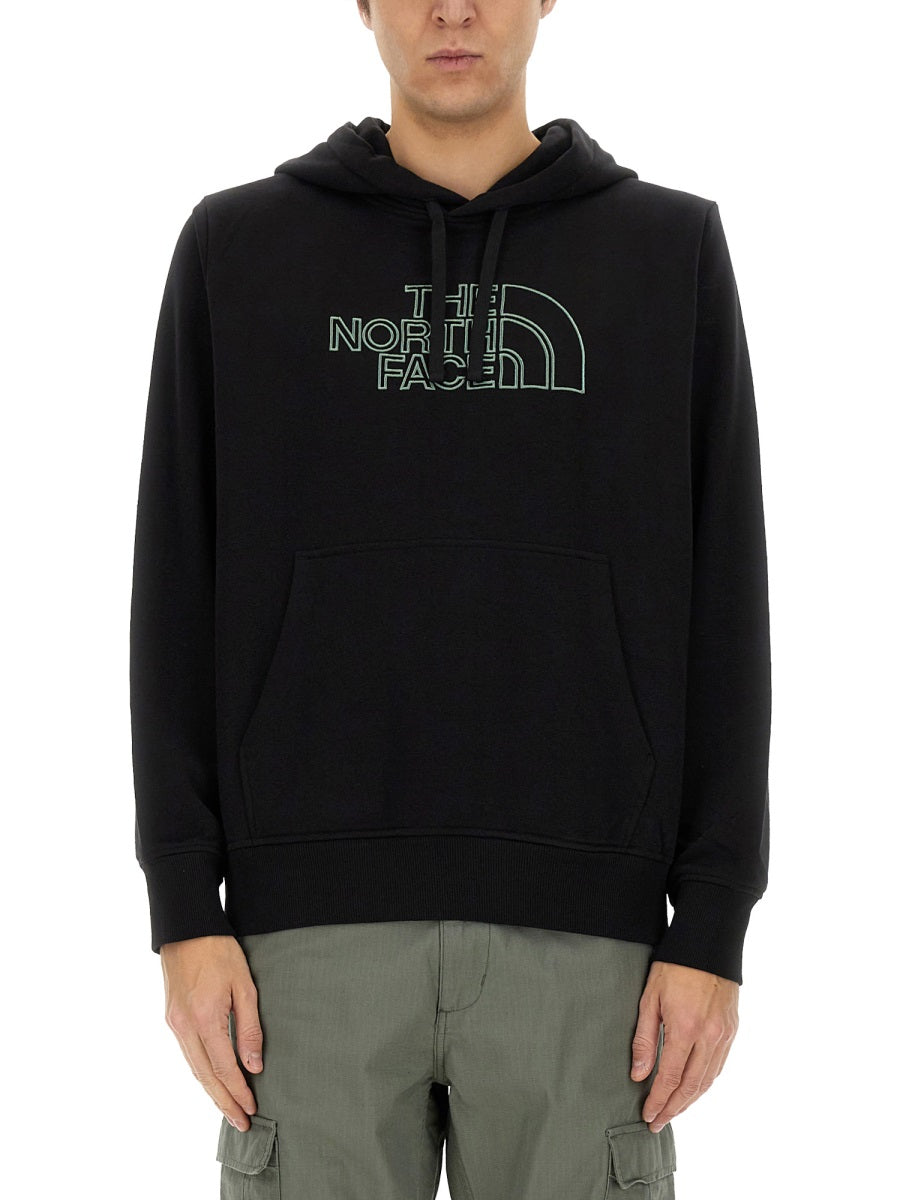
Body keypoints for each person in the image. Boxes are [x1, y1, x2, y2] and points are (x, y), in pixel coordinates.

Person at [129, 2, 771, 1196]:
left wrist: (715, 921)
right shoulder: (238, 250)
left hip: (591, 944)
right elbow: (173, 585)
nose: (453, 10)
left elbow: (726, 599)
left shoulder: (667, 252)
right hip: (300, 945)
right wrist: (183, 909)